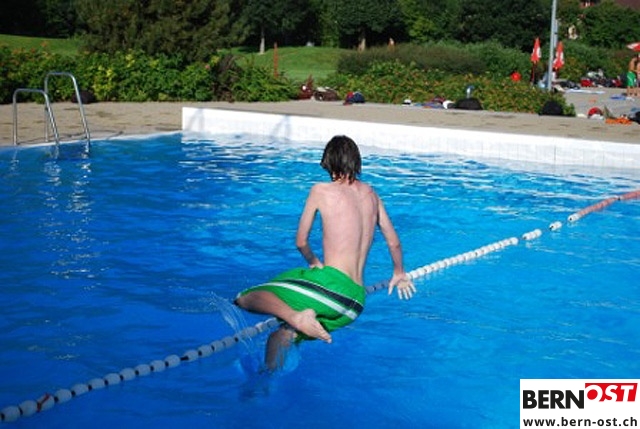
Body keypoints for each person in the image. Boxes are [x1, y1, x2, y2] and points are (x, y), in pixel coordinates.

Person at [235, 135, 416, 371]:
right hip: (354, 304)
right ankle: (266, 382)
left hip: (331, 287)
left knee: (246, 298)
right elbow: (394, 243)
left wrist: (313, 261)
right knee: (283, 334)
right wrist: (399, 273)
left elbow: (301, 241)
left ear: (329, 163)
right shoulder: (372, 195)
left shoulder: (320, 190)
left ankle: (297, 317)